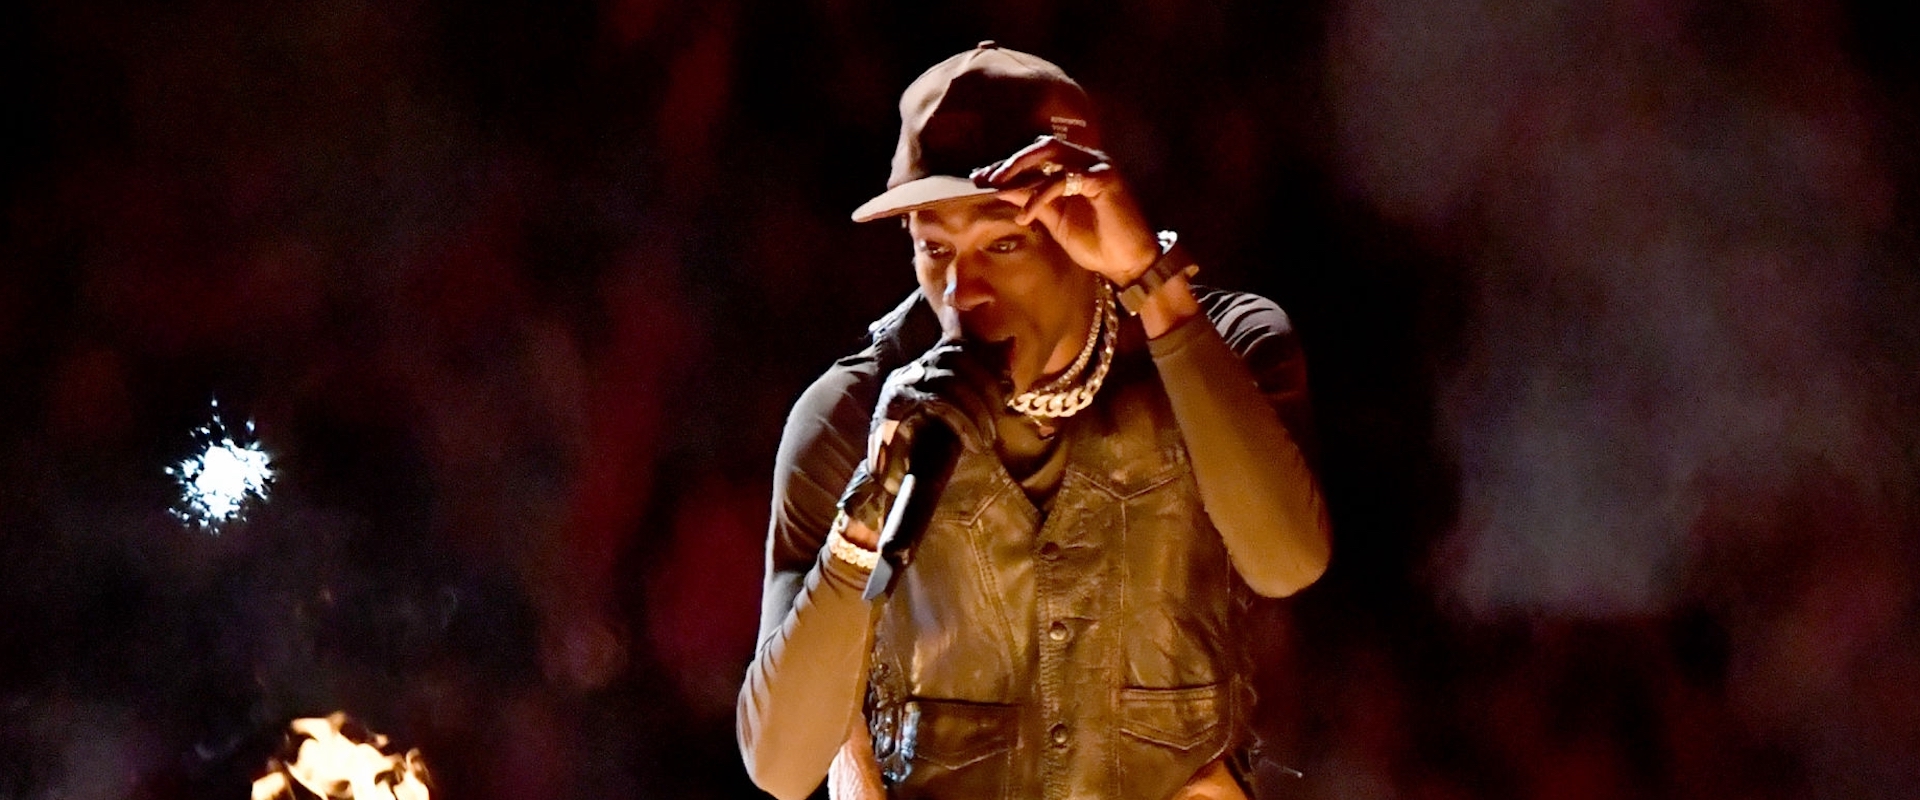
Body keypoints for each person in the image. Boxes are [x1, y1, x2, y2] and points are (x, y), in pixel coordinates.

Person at [737, 42, 1331, 800]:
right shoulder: (854, 417)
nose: (962, 288)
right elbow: (782, 768)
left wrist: (1153, 286)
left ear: (1085, 222)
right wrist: (869, 511)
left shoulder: (1217, 352)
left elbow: (1288, 559)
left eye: (1004, 242)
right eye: (934, 247)